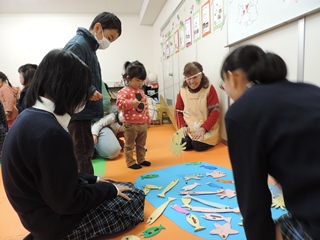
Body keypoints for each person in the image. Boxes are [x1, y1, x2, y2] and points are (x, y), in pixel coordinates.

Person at [1, 49, 145, 240]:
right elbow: (67, 202)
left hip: (38, 215)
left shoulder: (30, 116)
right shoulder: (52, 133)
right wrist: (110, 191)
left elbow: (54, 177)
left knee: (116, 185)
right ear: (69, 88)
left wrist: (93, 180)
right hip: (57, 222)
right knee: (134, 196)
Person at [221, 44, 320, 240]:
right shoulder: (311, 90)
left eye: (224, 84)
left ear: (233, 77)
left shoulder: (241, 112)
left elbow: (252, 198)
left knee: (274, 230)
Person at [63, 12, 122, 174]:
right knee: (81, 152)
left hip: (86, 111)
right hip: (79, 111)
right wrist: (89, 90)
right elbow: (67, 73)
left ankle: (86, 184)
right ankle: (86, 188)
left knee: (85, 150)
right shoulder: (78, 45)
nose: (108, 43)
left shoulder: (88, 47)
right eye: (109, 38)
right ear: (98, 27)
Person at [174, 62, 220, 151]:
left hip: (206, 128)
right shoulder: (183, 91)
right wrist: (182, 126)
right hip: (188, 128)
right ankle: (190, 140)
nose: (191, 81)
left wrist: (203, 128)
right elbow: (177, 111)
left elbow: (215, 111)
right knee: (183, 144)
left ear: (201, 75)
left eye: (195, 77)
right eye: (188, 78)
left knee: (198, 145)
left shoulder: (209, 89)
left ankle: (195, 141)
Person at [116, 61, 151, 170]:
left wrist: (148, 119)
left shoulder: (141, 92)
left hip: (142, 124)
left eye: (142, 80)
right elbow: (119, 105)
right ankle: (130, 162)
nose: (140, 83)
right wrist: (131, 103)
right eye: (137, 80)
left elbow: (145, 106)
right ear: (128, 78)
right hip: (130, 124)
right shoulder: (124, 91)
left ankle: (141, 159)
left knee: (141, 144)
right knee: (130, 145)